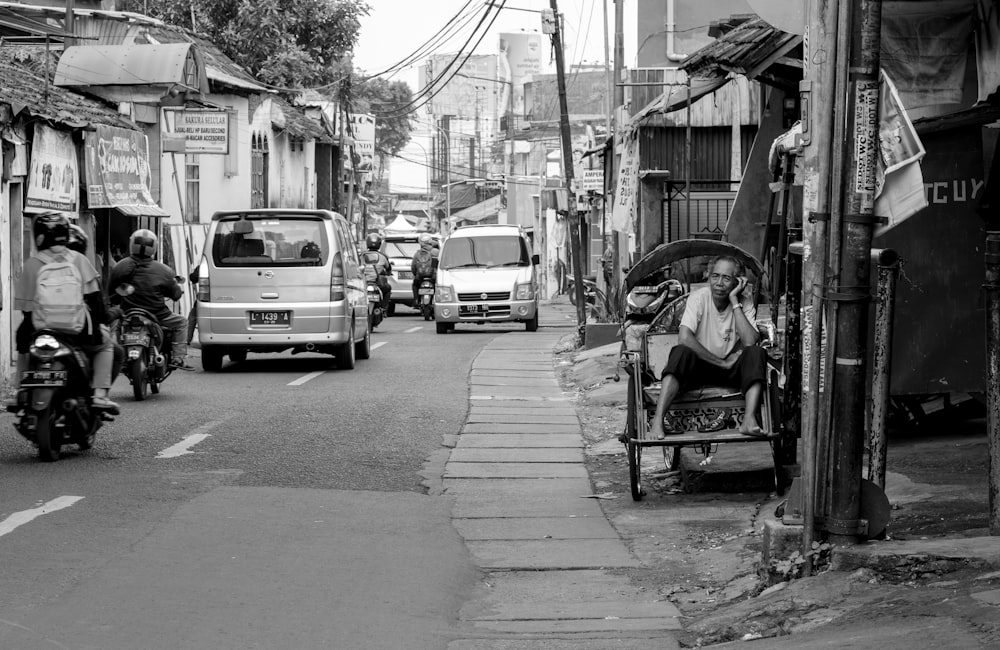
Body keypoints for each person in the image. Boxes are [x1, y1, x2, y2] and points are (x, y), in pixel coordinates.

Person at [647, 255, 767, 439]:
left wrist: (735, 301)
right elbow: (685, 338)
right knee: (680, 352)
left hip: (731, 372)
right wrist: (721, 363)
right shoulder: (699, 298)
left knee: (756, 353)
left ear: (738, 282)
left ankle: (749, 420)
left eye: (726, 278)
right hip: (700, 369)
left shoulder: (744, 301)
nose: (719, 283)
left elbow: (750, 341)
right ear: (709, 277)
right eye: (715, 276)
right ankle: (657, 421)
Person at [12, 213, 119, 410]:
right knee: (106, 345)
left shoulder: (32, 265)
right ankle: (99, 395)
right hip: (77, 331)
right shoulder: (78, 260)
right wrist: (98, 326)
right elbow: (95, 301)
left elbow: (26, 310)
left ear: (39, 237)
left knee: (24, 346)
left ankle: (19, 389)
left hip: (41, 330)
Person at [108, 229, 194, 371]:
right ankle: (178, 358)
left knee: (114, 326)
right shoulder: (164, 271)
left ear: (131, 244)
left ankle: (114, 357)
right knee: (182, 323)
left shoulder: (119, 266)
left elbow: (111, 291)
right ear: (153, 247)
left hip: (126, 312)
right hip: (158, 314)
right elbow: (176, 294)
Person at [361, 233, 391, 312]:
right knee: (388, 289)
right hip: (377, 283)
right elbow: (388, 268)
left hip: (363, 283)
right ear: (379, 244)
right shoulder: (383, 256)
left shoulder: (361, 256)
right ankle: (383, 308)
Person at [410, 233, 438, 304]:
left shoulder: (417, 253)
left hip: (420, 276)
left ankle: (416, 300)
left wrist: (415, 274)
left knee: (415, 285)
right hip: (433, 277)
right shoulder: (436, 252)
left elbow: (413, 267)